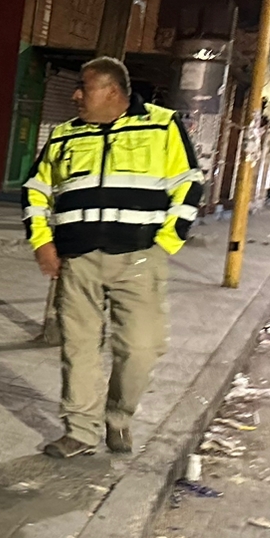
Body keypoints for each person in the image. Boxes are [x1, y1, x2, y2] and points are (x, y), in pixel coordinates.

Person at [22, 56, 203, 459]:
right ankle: (80, 431)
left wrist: (165, 244)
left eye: (83, 87)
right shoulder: (64, 134)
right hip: (78, 259)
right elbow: (35, 189)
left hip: (139, 258)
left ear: (112, 91)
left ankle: (118, 416)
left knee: (141, 348)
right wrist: (42, 241)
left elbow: (190, 185)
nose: (75, 95)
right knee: (78, 347)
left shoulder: (161, 125)